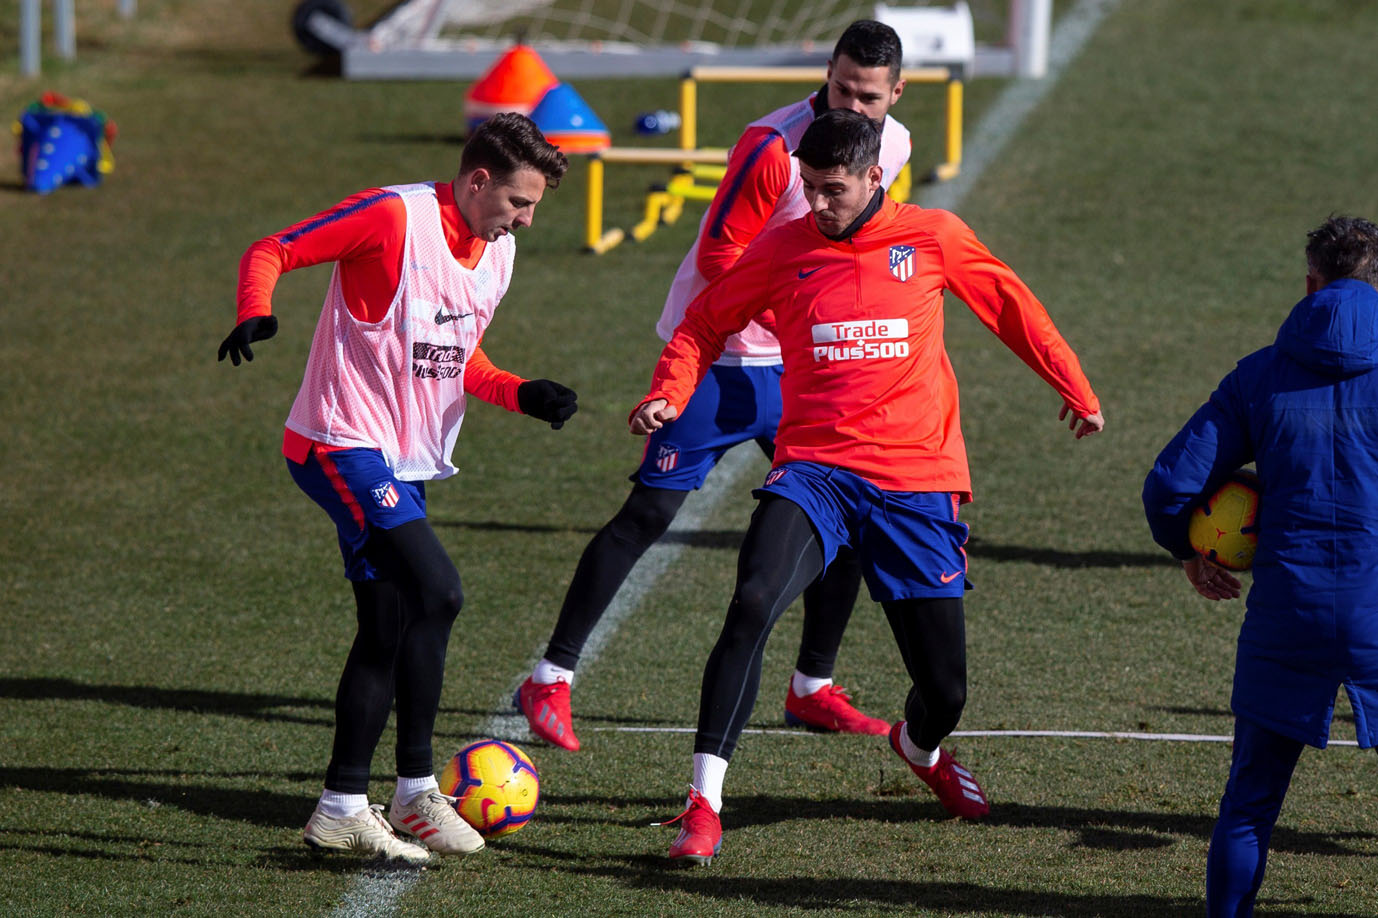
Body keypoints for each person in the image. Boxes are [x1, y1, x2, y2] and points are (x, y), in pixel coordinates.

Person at [635, 109, 1104, 864]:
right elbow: (703, 322)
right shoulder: (785, 248)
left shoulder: (933, 237)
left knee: (945, 692)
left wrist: (1074, 387)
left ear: (874, 177)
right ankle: (702, 805)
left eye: (834, 190)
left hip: (917, 481)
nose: (818, 205)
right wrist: (670, 386)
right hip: (815, 469)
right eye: (810, 188)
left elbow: (1012, 306)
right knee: (752, 599)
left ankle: (920, 752)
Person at [515, 19, 913, 753]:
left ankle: (812, 690)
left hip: (800, 366)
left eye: (868, 97)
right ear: (826, 71)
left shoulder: (895, 146)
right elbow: (720, 252)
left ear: (895, 93)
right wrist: (793, 307)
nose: (851, 109)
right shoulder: (770, 146)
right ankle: (549, 678)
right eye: (841, 88)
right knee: (647, 515)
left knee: (855, 514)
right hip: (721, 360)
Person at [218, 113, 576, 864]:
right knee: (439, 592)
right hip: (336, 444)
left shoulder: (497, 256)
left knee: (387, 623)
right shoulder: (392, 217)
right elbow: (273, 248)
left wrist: (522, 393)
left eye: (534, 206)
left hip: (404, 464)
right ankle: (412, 790)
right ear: (477, 180)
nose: (527, 219)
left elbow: (458, 360)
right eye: (519, 202)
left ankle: (347, 806)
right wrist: (257, 310)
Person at [1143, 215, 1378, 916]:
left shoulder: (1259, 375)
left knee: (1250, 804)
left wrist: (1187, 547)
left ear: (1310, 283)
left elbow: (1169, 486)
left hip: (1288, 611)